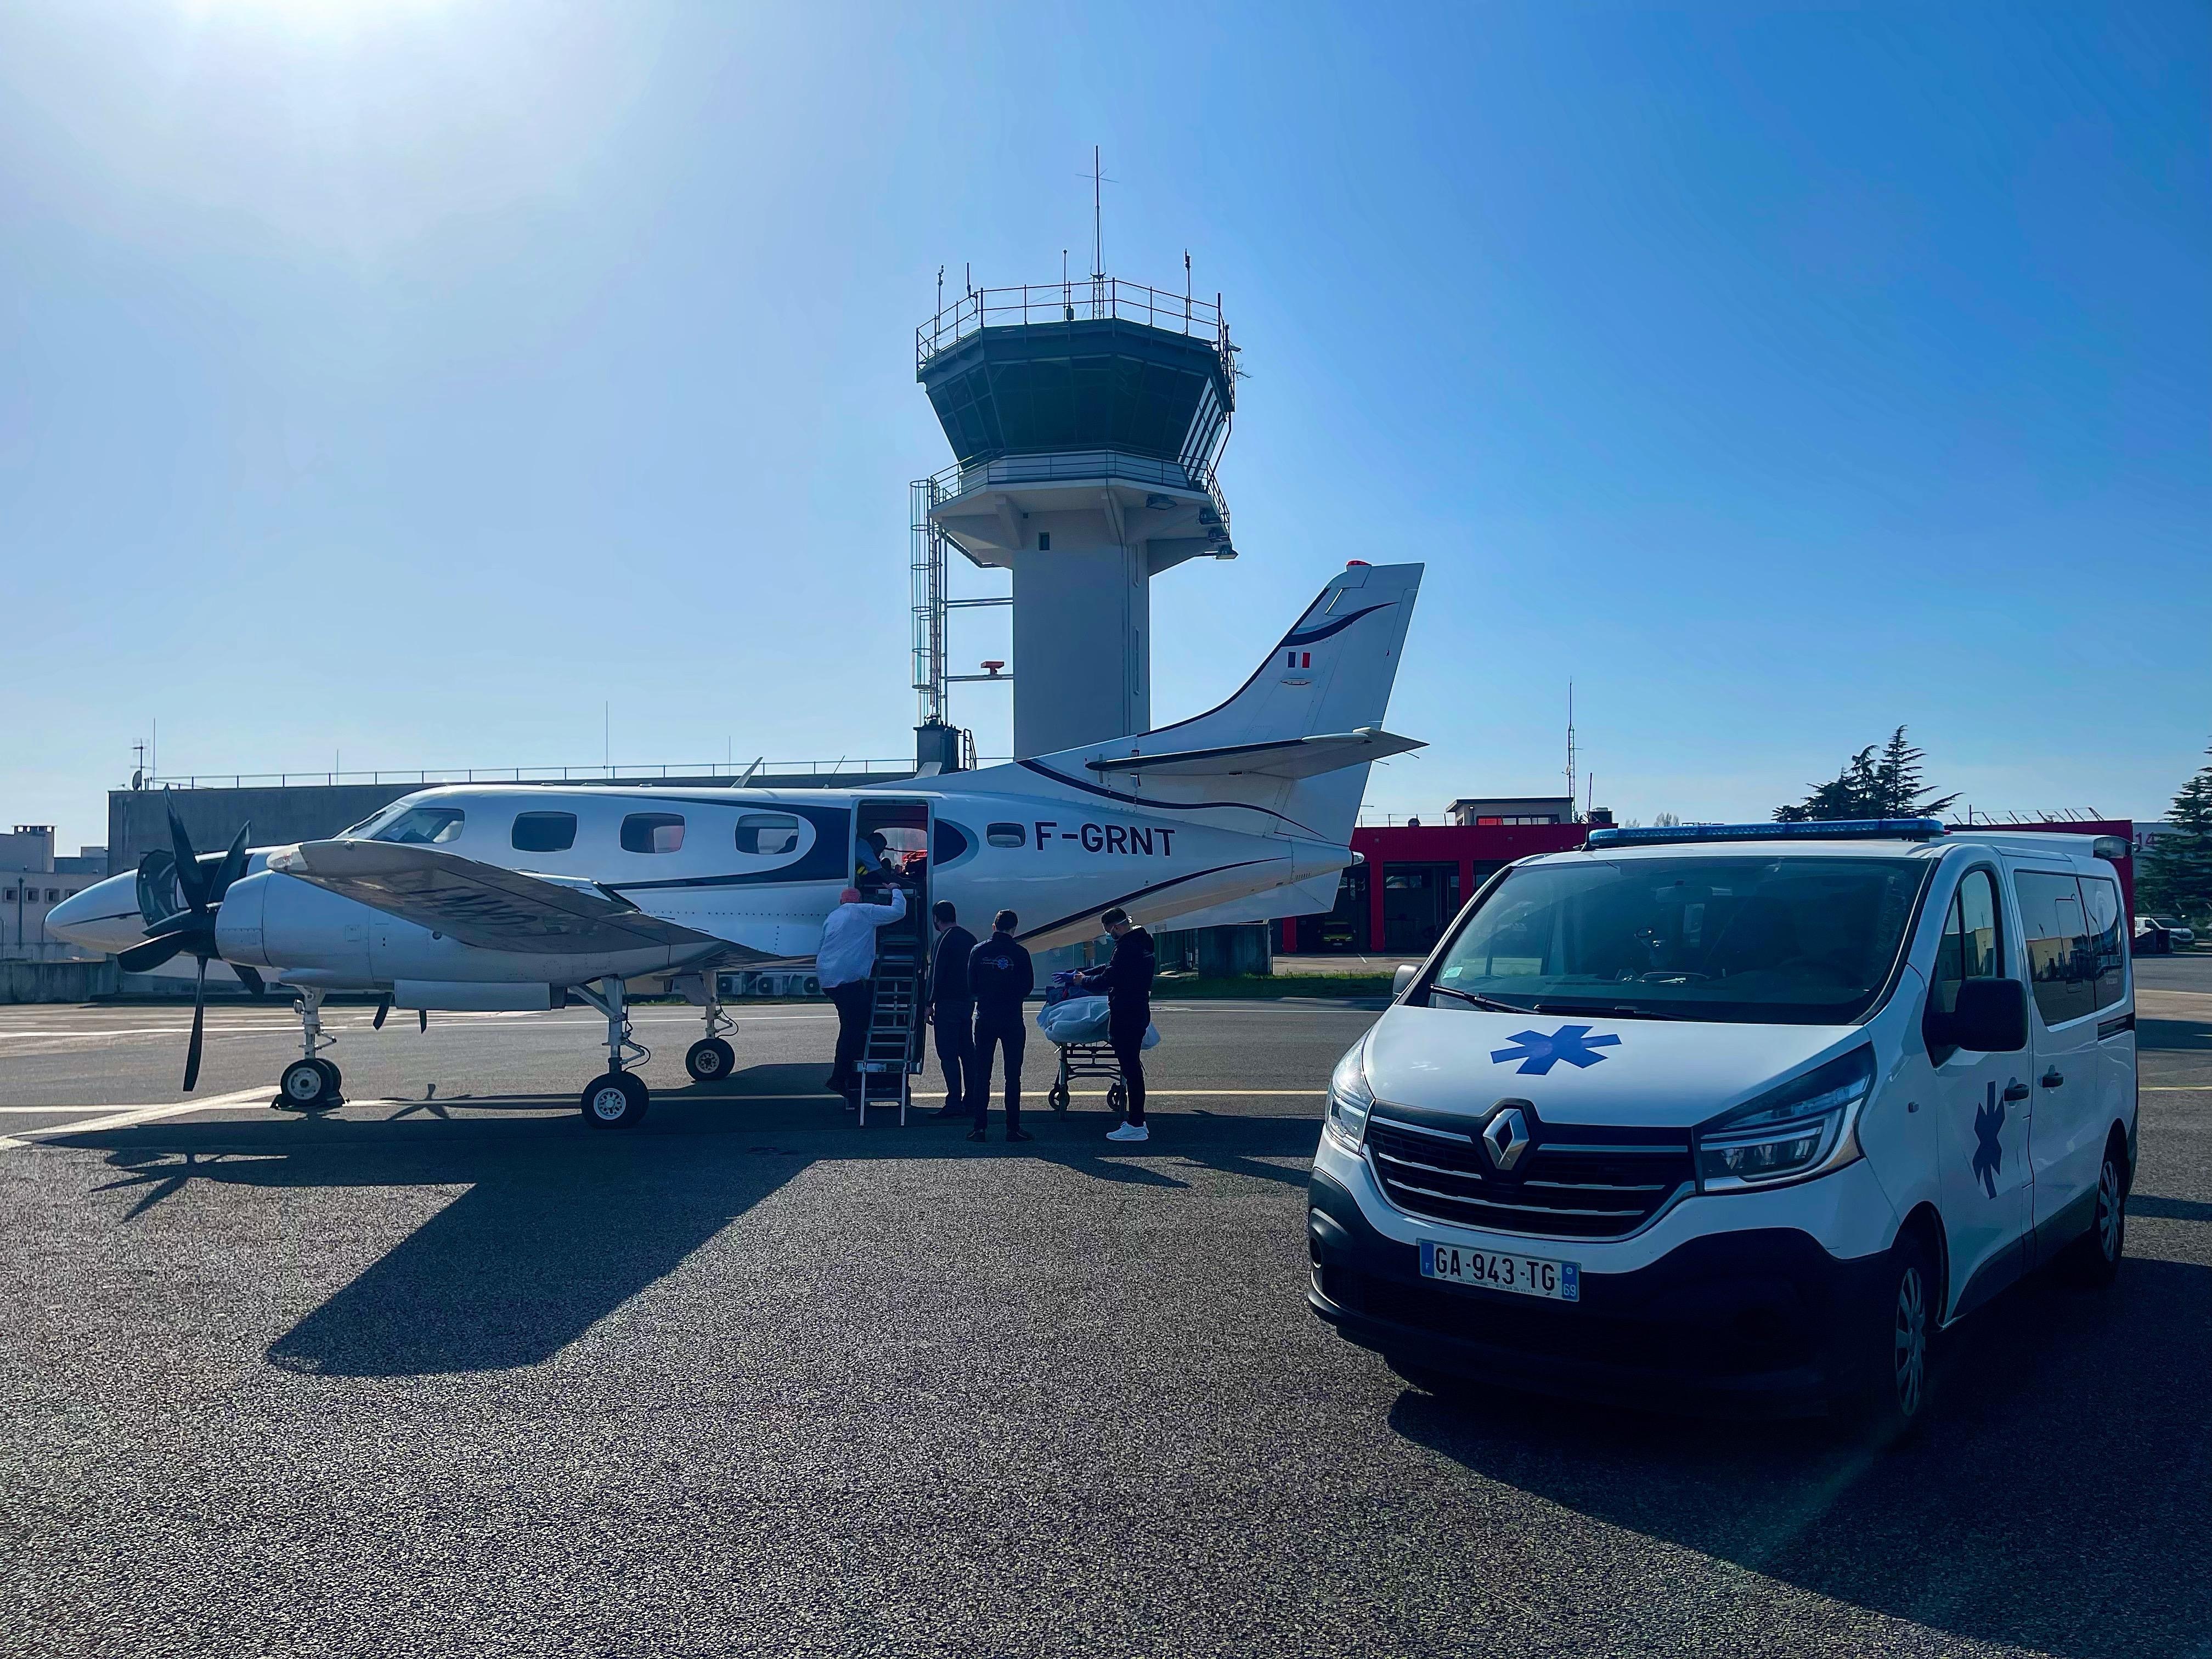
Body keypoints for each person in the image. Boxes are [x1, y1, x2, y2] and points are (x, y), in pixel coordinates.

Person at [816, 883, 908, 1097]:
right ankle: (840, 1077)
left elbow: (822, 945)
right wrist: (896, 890)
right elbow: (898, 912)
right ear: (859, 900)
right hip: (848, 980)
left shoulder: (833, 916)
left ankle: (845, 1076)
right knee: (854, 1028)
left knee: (849, 1025)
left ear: (841, 901)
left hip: (828, 978)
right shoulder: (865, 911)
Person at [1082, 906, 1156, 1142]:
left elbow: (1108, 977)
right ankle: (1137, 1120)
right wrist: (1082, 973)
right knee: (1132, 1069)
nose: (1108, 935)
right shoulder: (1142, 943)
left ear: (1115, 927)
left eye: (1108, 930)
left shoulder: (1126, 947)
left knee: (1131, 1070)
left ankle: (1136, 1124)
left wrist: (1082, 981)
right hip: (1138, 1010)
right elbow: (1111, 968)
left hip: (1126, 1013)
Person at [967, 909, 1034, 1144]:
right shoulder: (1021, 953)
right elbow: (1028, 987)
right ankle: (1013, 1128)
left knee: (982, 1074)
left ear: (994, 926)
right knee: (1013, 1076)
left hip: (986, 1016)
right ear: (1014, 929)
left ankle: (979, 1128)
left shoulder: (978, 951)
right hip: (1012, 1018)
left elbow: (971, 985)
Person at [927, 900, 977, 1122]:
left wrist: (928, 1002)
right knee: (967, 1052)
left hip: (947, 1004)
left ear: (936, 919)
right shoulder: (970, 938)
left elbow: (936, 974)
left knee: (948, 1054)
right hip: (967, 1002)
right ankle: (972, 1099)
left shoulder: (943, 941)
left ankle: (954, 1101)